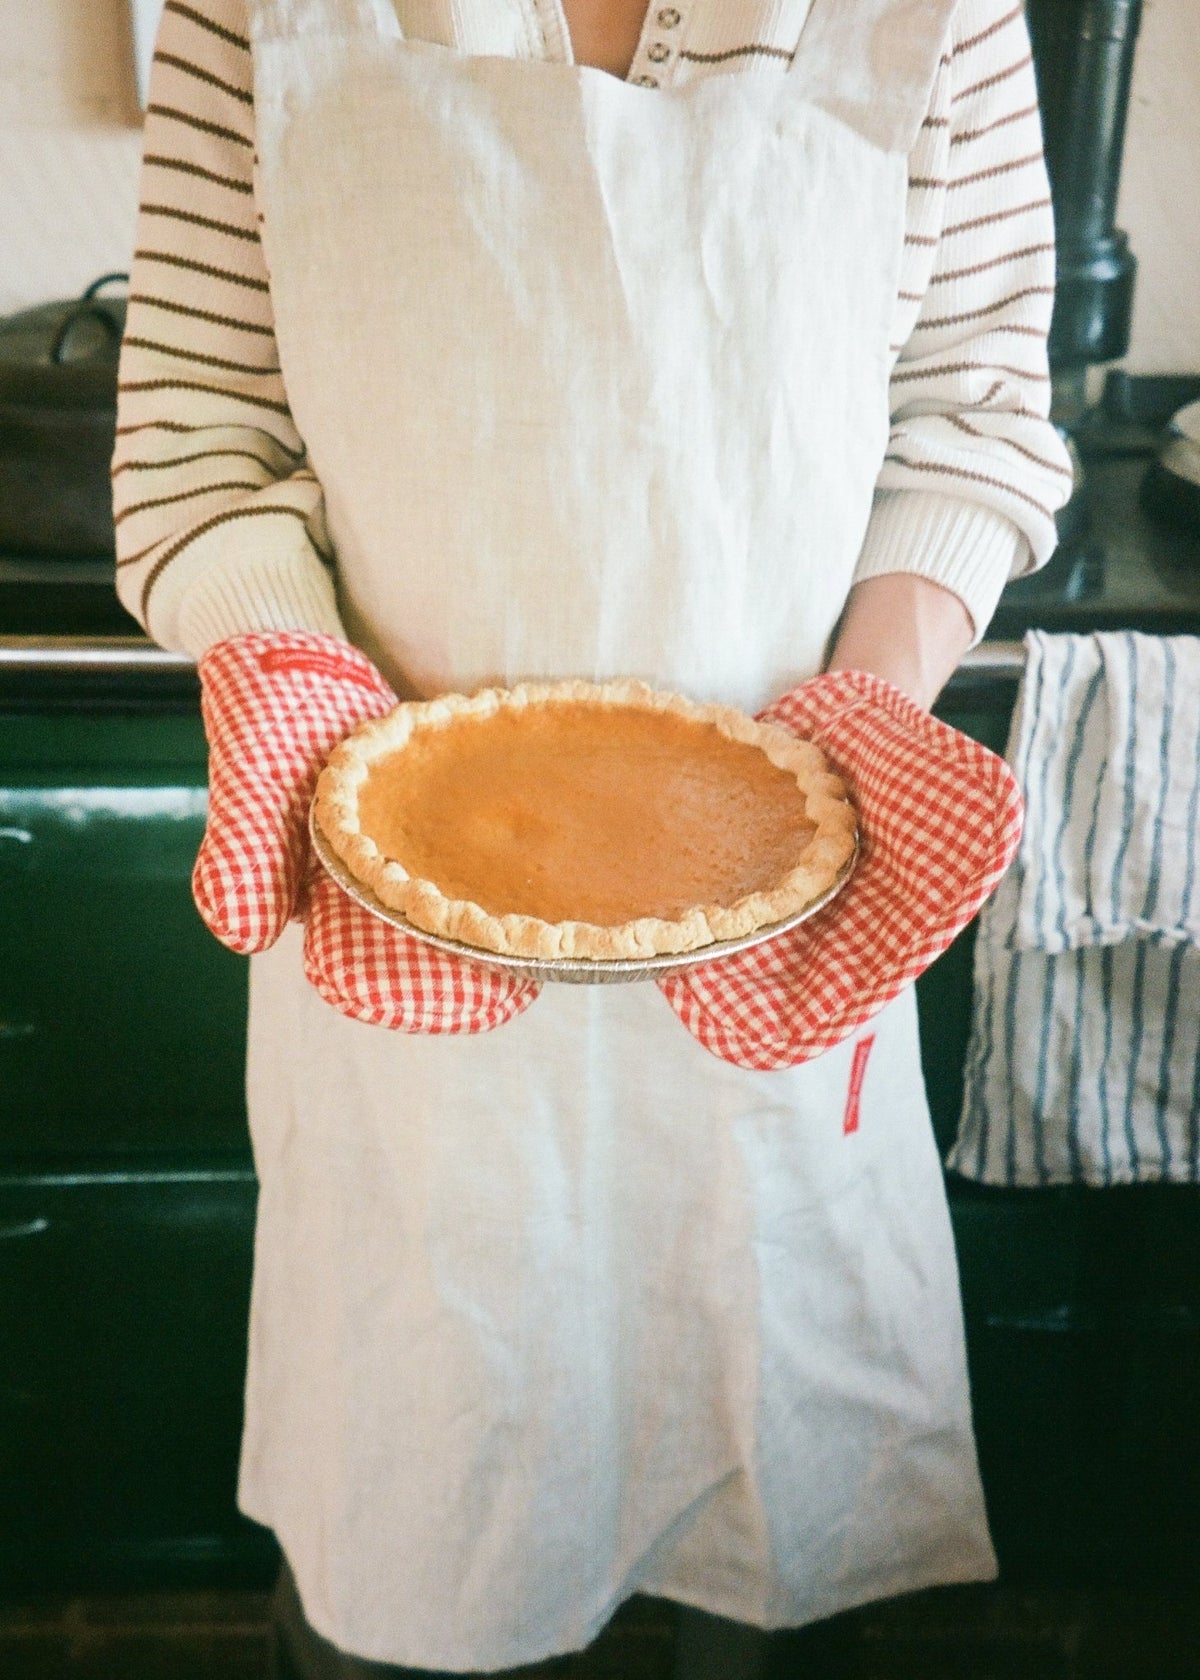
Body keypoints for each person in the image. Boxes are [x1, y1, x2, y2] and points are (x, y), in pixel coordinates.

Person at [113, 1, 1072, 1675]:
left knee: (765, 1534)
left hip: (789, 908)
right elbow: (200, 439)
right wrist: (285, 669)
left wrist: (873, 704)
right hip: (396, 925)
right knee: (425, 1528)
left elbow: (969, 414)